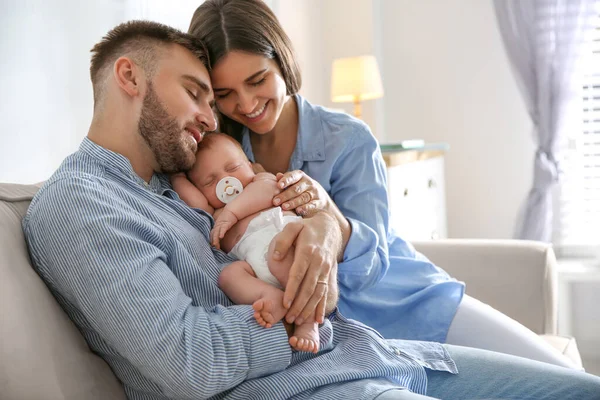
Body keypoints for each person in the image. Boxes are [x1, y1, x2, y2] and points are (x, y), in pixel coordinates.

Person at [22, 20, 600, 400]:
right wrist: (306, 320)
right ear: (130, 76)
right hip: (315, 382)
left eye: (210, 97)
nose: (211, 116)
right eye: (198, 93)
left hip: (371, 351)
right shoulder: (81, 204)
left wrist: (325, 224)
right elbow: (188, 360)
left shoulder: (175, 187)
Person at [188, 0, 579, 369]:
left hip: (406, 301)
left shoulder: (347, 138)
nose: (246, 103)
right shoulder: (214, 157)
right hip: (328, 339)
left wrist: (330, 220)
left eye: (258, 80)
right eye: (225, 94)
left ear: (282, 61)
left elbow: (371, 263)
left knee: (561, 378)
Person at [171, 132, 320, 353]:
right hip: (255, 266)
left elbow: (271, 191)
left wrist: (233, 211)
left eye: (232, 169)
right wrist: (176, 175)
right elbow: (193, 200)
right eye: (210, 181)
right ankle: (269, 296)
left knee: (279, 257)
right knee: (228, 276)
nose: (225, 181)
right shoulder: (214, 213)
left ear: (250, 165)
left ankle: (308, 323)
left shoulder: (260, 182)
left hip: (286, 242)